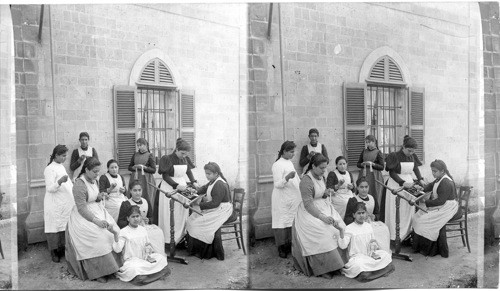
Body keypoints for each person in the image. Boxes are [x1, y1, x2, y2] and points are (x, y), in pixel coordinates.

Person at [292, 153, 347, 279]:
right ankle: (323, 268)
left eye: (325, 167)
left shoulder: (321, 176)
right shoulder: (306, 180)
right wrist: (322, 217)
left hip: (323, 206)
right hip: (310, 212)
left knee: (338, 226)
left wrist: (326, 193)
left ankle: (337, 264)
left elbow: (320, 194)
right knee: (323, 231)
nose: (324, 170)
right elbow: (308, 204)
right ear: (313, 166)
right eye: (321, 168)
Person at [65, 157, 120, 283]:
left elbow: (94, 198)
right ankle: (97, 272)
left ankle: (111, 268)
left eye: (98, 171)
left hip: (97, 210)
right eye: (95, 171)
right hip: (83, 216)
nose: (97, 174)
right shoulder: (79, 184)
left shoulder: (94, 180)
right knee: (98, 236)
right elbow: (82, 209)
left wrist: (100, 196)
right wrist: (97, 222)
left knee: (112, 230)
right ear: (86, 170)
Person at [154, 138, 200, 245]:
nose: (184, 156)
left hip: (182, 186)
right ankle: (168, 240)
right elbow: (165, 176)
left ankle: (180, 238)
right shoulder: (167, 159)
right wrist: (176, 185)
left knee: (182, 211)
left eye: (186, 154)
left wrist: (194, 182)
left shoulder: (185, 159)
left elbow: (188, 172)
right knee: (169, 213)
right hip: (169, 186)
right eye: (182, 153)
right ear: (177, 149)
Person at [411, 160, 460, 257]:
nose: (433, 173)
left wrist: (425, 201)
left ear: (442, 171)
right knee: (417, 216)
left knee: (423, 220)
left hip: (448, 207)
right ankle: (420, 246)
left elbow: (440, 201)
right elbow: (430, 186)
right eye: (432, 171)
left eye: (435, 171)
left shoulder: (446, 182)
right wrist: (421, 188)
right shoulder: (439, 178)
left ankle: (429, 249)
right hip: (441, 204)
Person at [111, 206, 171, 285]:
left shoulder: (143, 229)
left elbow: (148, 245)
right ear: (128, 218)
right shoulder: (123, 232)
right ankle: (154, 275)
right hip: (132, 261)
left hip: (145, 258)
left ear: (140, 217)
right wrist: (115, 234)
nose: (136, 219)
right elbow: (117, 249)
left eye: (137, 216)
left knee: (161, 258)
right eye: (133, 217)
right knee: (134, 269)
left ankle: (146, 277)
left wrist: (149, 254)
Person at [186, 162, 233, 260]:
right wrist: (195, 191)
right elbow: (204, 188)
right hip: (216, 207)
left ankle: (205, 252)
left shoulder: (219, 184)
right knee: (191, 219)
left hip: (222, 209)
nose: (207, 176)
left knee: (197, 222)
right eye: (206, 173)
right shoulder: (213, 180)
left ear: (216, 173)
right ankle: (196, 249)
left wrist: (199, 205)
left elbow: (215, 203)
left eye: (209, 174)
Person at [382, 135, 425, 242]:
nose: (411, 153)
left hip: (409, 186)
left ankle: (406, 235)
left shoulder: (412, 156)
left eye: (413, 151)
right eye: (409, 151)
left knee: (408, 209)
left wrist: (420, 179)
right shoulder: (394, 156)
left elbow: (415, 168)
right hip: (396, 184)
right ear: (403, 147)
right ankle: (394, 236)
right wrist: (402, 183)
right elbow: (391, 172)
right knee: (396, 210)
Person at [338, 203, 394, 282]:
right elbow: (343, 245)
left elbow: (373, 241)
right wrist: (341, 231)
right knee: (359, 265)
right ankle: (378, 272)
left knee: (386, 255)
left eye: (363, 213)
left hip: (369, 254)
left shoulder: (368, 226)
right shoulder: (349, 228)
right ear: (354, 215)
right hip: (358, 257)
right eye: (359, 213)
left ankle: (371, 273)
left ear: (366, 213)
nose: (361, 215)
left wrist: (373, 251)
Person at [43, 144, 75, 263]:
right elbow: (50, 188)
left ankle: (61, 248)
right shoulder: (49, 169)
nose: (65, 158)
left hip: (64, 203)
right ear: (56, 155)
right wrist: (60, 181)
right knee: (54, 226)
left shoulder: (60, 166)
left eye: (66, 155)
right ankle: (53, 251)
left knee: (63, 225)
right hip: (55, 203)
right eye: (63, 156)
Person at [271, 141, 302, 258]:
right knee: (281, 222)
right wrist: (287, 177)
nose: (293, 154)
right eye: (291, 152)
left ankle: (289, 245)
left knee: (290, 221)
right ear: (284, 151)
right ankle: (281, 248)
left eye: (294, 151)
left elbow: (296, 179)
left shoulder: (288, 162)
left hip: (291, 198)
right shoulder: (277, 165)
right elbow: (277, 184)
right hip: (282, 198)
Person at [117, 181, 165, 256]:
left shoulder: (146, 201)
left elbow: (151, 216)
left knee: (158, 232)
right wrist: (132, 222)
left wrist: (149, 220)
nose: (137, 193)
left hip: (144, 227)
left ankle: (155, 255)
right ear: (130, 191)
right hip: (132, 229)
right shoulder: (126, 204)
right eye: (135, 190)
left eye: (139, 190)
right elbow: (120, 222)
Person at [344, 178, 391, 253]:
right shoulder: (353, 200)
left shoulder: (372, 198)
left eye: (366, 187)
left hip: (371, 223)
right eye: (361, 187)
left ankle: (382, 252)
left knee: (384, 229)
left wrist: (375, 216)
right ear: (357, 188)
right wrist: (358, 218)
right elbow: (347, 218)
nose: (364, 189)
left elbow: (378, 213)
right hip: (359, 224)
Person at [356, 135, 385, 208]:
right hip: (364, 174)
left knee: (374, 193)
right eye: (366, 142)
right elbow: (358, 164)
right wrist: (362, 164)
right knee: (362, 192)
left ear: (374, 142)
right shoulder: (364, 151)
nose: (367, 144)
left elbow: (382, 167)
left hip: (374, 176)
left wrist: (373, 164)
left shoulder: (378, 152)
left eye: (369, 142)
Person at [128, 138, 156, 211]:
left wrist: (145, 167)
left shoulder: (150, 155)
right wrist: (134, 167)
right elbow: (129, 167)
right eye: (138, 146)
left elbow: (153, 170)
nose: (139, 147)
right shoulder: (135, 155)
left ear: (145, 145)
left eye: (141, 145)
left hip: (146, 180)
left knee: (146, 196)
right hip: (135, 178)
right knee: (134, 196)